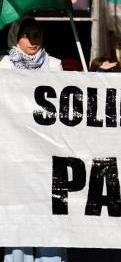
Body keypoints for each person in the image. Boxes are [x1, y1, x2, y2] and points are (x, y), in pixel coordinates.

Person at [0, 17, 65, 261]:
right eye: (26, 34)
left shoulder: (55, 66)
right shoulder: (4, 66)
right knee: (18, 216)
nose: (33, 39)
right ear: (15, 37)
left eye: (36, 33)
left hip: (46, 155)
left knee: (49, 214)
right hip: (14, 155)